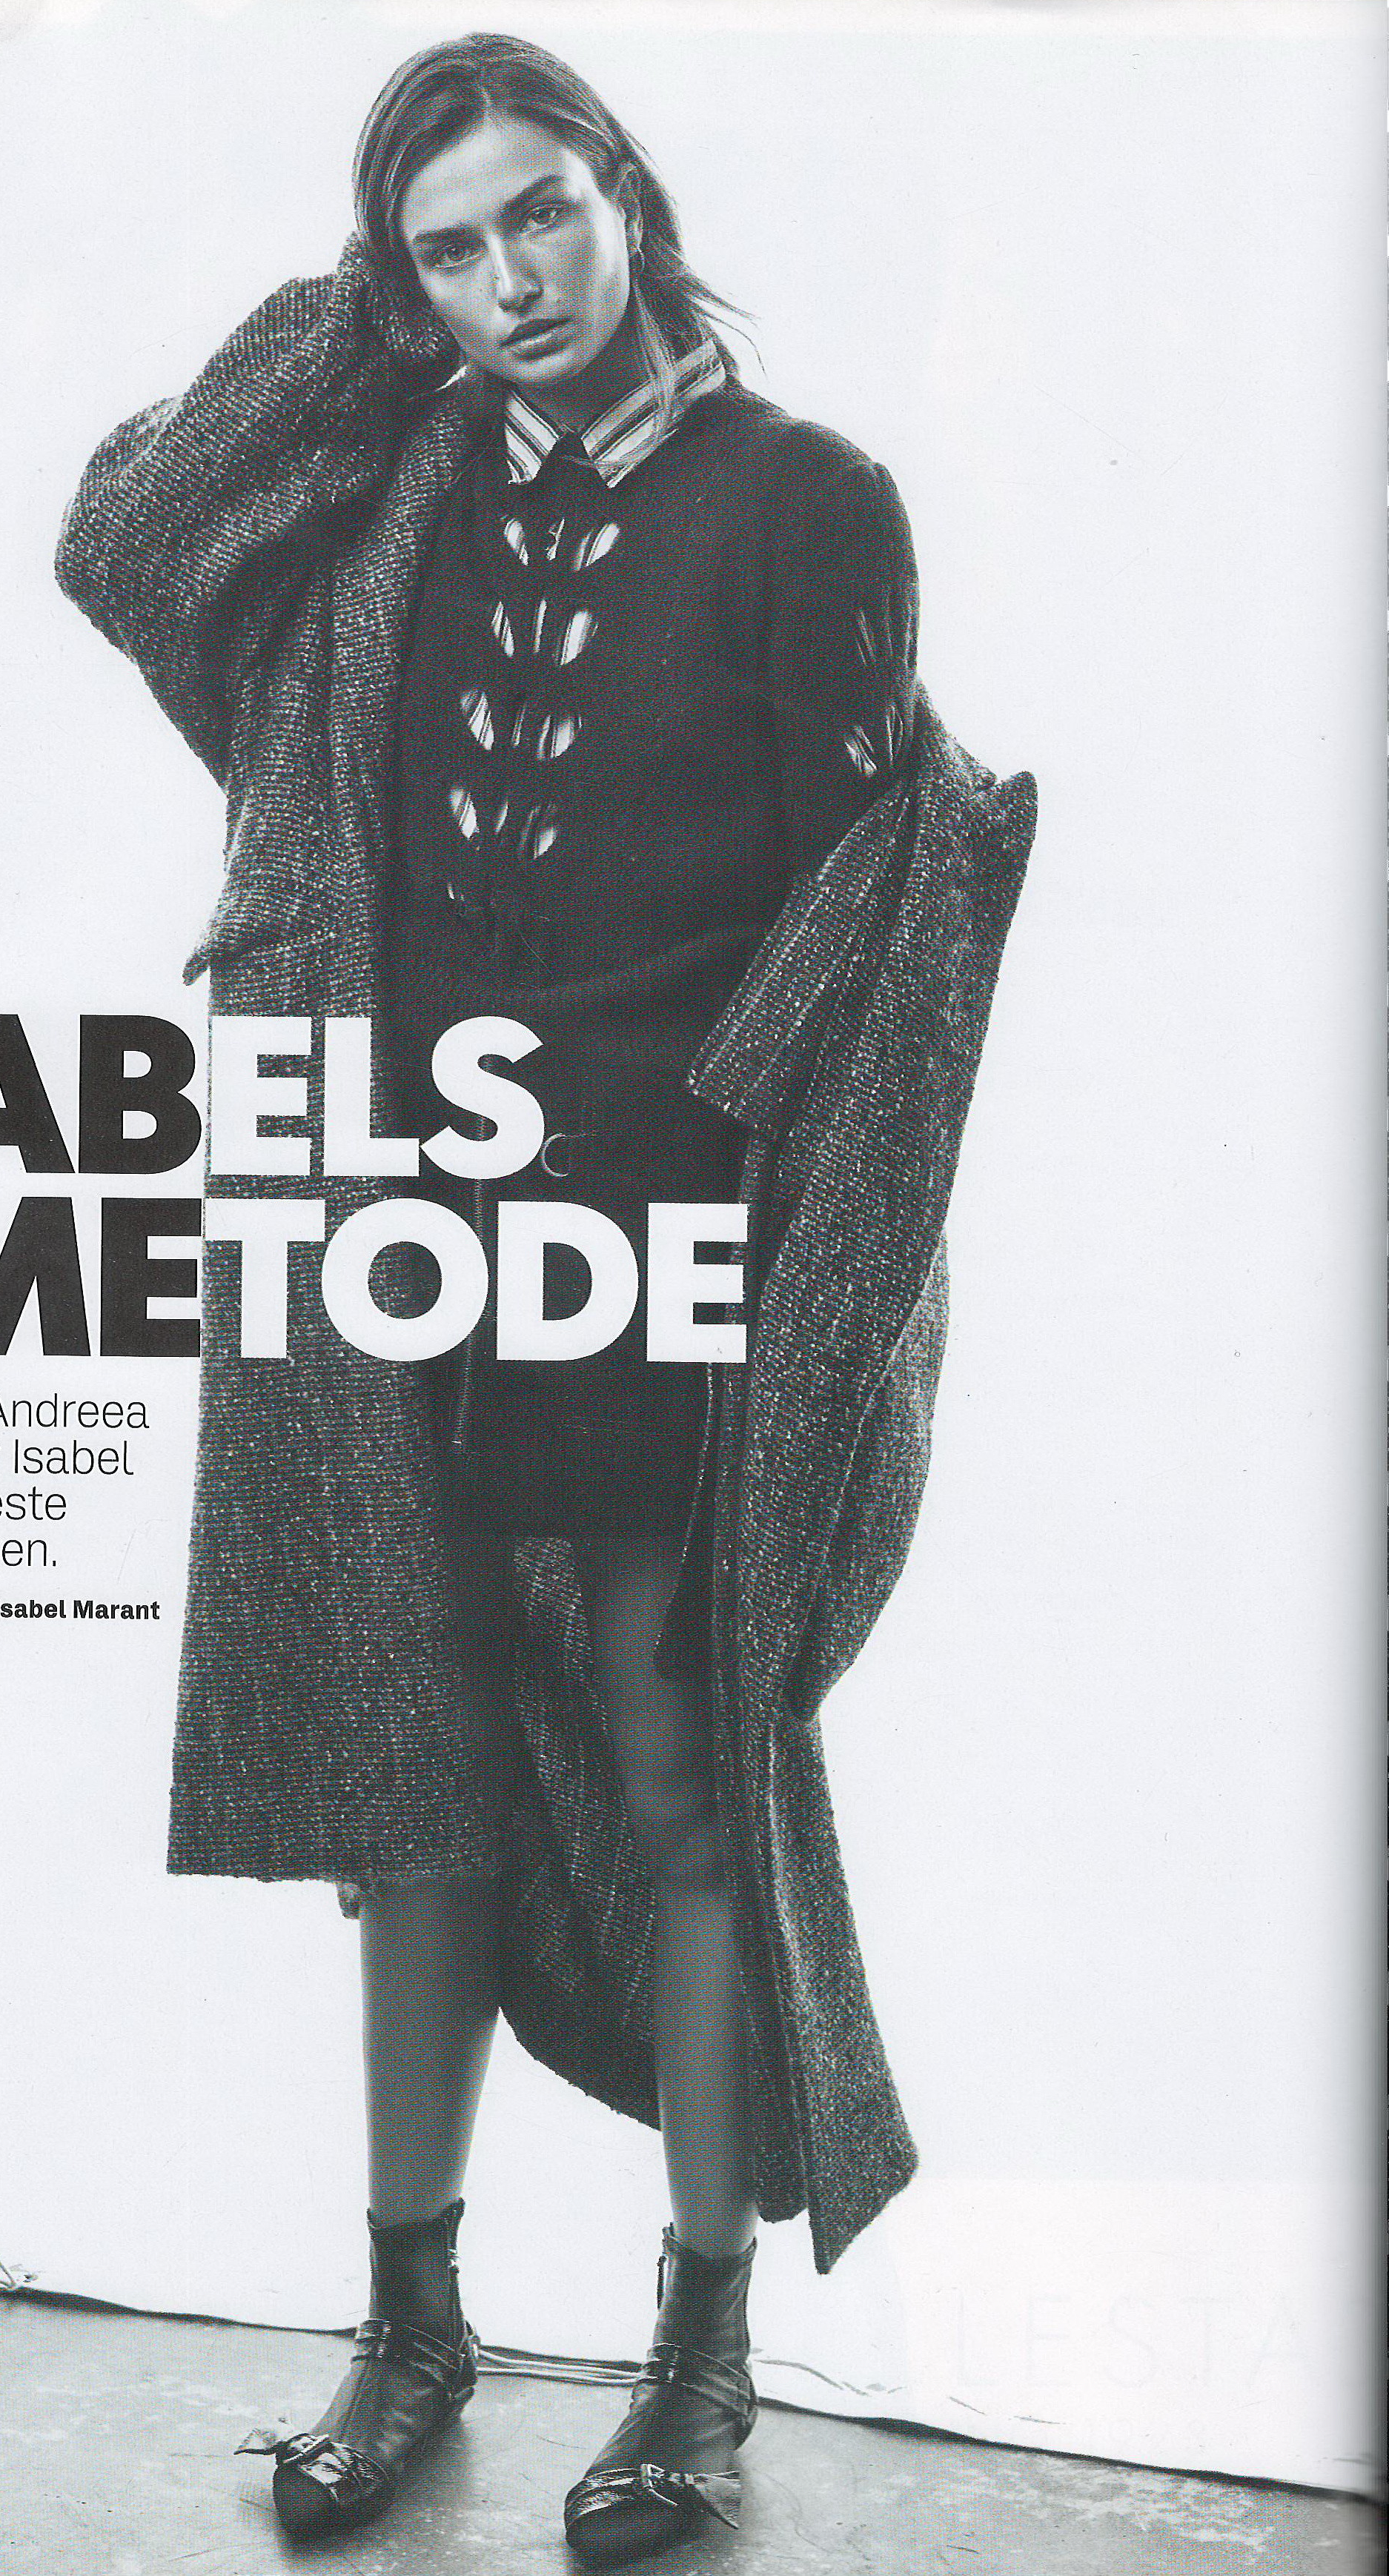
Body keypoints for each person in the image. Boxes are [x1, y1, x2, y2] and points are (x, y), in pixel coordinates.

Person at [58, 31, 1034, 2568]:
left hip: (658, 1228)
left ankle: (702, 2351)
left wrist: (764, 1261)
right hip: (394, 1208)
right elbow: (128, 535)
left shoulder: (807, 501)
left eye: (540, 216)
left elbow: (858, 931)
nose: (510, 280)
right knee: (409, 1789)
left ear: (628, 192)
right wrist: (356, 317)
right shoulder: (388, 490)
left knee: (677, 1761)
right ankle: (413, 2323)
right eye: (448, 249)